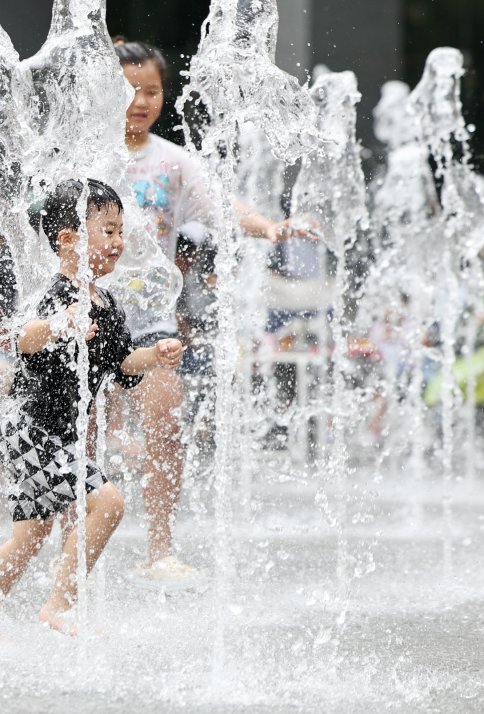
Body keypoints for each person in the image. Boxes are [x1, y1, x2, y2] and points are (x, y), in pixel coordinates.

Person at [0, 179, 183, 643]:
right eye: (108, 231)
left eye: (121, 230)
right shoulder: (58, 294)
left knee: (28, 537)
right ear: (68, 240)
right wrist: (62, 325)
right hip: (28, 427)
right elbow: (24, 337)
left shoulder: (108, 303)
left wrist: (156, 356)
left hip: (47, 433)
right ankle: (58, 605)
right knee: (108, 502)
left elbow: (122, 365)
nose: (119, 241)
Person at [112, 38, 299, 585]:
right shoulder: (85, 154)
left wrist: (266, 226)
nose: (143, 101)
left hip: (151, 316)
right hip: (90, 309)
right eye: (130, 91)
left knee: (165, 423)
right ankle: (68, 538)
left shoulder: (172, 161)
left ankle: (160, 548)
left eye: (152, 90)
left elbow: (220, 204)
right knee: (74, 428)